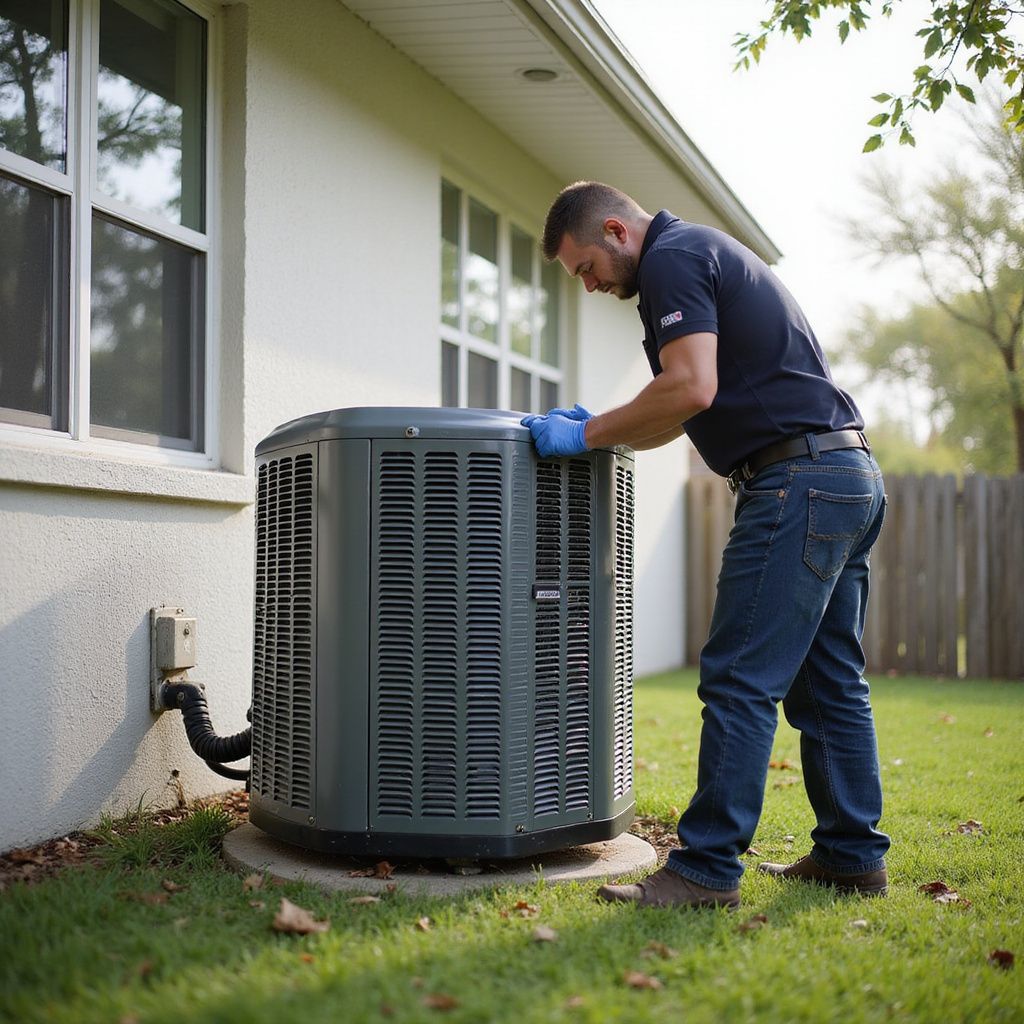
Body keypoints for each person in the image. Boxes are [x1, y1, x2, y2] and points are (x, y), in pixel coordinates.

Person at [521, 181, 889, 910]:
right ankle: (851, 856)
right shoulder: (698, 255)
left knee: (739, 677)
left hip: (798, 482)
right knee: (827, 683)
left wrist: (586, 432)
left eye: (585, 267)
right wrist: (600, 431)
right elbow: (684, 407)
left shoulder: (673, 260)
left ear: (618, 232)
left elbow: (689, 386)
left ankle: (705, 870)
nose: (589, 285)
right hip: (844, 473)